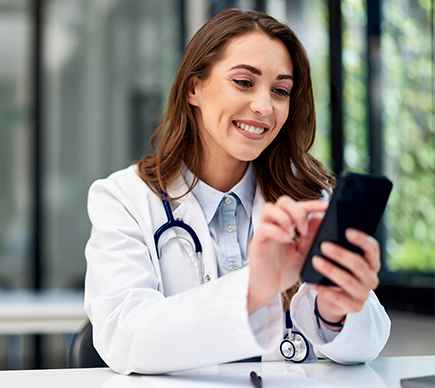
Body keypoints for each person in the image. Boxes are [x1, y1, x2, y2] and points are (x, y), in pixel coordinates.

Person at [84, 9, 390, 375]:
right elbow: (123, 335)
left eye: (280, 91)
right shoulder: (123, 198)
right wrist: (254, 291)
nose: (264, 107)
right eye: (244, 82)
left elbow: (368, 342)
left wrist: (335, 310)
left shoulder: (307, 198)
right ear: (193, 87)